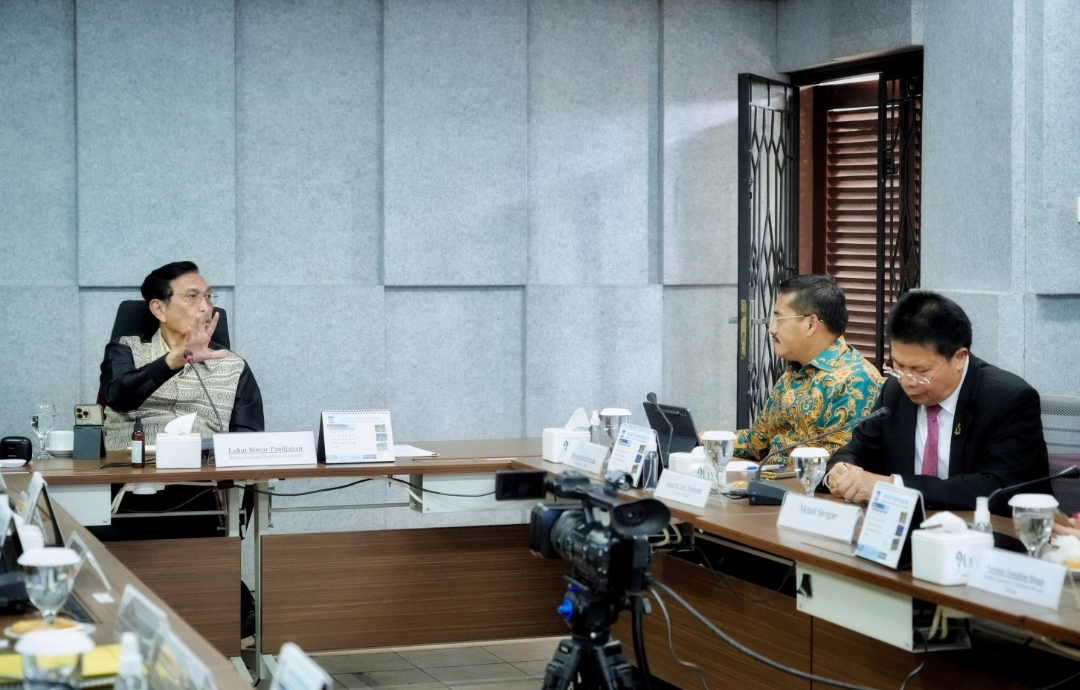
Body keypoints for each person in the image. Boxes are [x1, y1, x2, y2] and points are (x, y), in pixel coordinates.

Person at [827, 291, 1049, 511]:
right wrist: (841, 470)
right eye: (898, 366)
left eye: (920, 370)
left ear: (960, 358)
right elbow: (856, 451)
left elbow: (1000, 489)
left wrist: (894, 486)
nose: (907, 381)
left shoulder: (1008, 399)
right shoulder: (895, 391)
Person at [100, 261, 263, 447]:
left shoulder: (234, 366)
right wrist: (173, 360)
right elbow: (118, 397)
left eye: (208, 297)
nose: (206, 307)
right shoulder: (126, 349)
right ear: (159, 309)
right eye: (192, 296)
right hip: (134, 463)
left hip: (204, 465)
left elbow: (248, 443)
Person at [735, 275, 883, 462]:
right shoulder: (797, 369)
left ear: (811, 324)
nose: (772, 329)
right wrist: (705, 440)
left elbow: (837, 463)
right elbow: (758, 440)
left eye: (779, 319)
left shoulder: (856, 379)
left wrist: (772, 458)